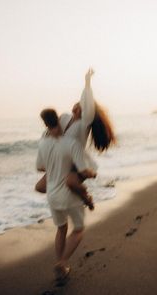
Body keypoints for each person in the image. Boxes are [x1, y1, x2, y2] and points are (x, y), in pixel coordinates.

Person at [35, 69, 116, 204]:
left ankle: (85, 196)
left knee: (71, 182)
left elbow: (88, 105)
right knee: (40, 187)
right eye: (77, 104)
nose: (77, 108)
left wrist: (87, 82)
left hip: (77, 163)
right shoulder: (64, 117)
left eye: (81, 107)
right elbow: (50, 132)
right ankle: (70, 196)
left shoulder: (84, 123)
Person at [36, 108, 96, 281]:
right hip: (68, 194)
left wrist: (54, 166)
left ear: (46, 124)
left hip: (52, 196)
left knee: (61, 229)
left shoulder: (44, 143)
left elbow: (41, 167)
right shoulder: (71, 144)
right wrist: (93, 173)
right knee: (78, 230)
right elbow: (83, 171)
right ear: (60, 120)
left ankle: (61, 265)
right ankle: (62, 262)